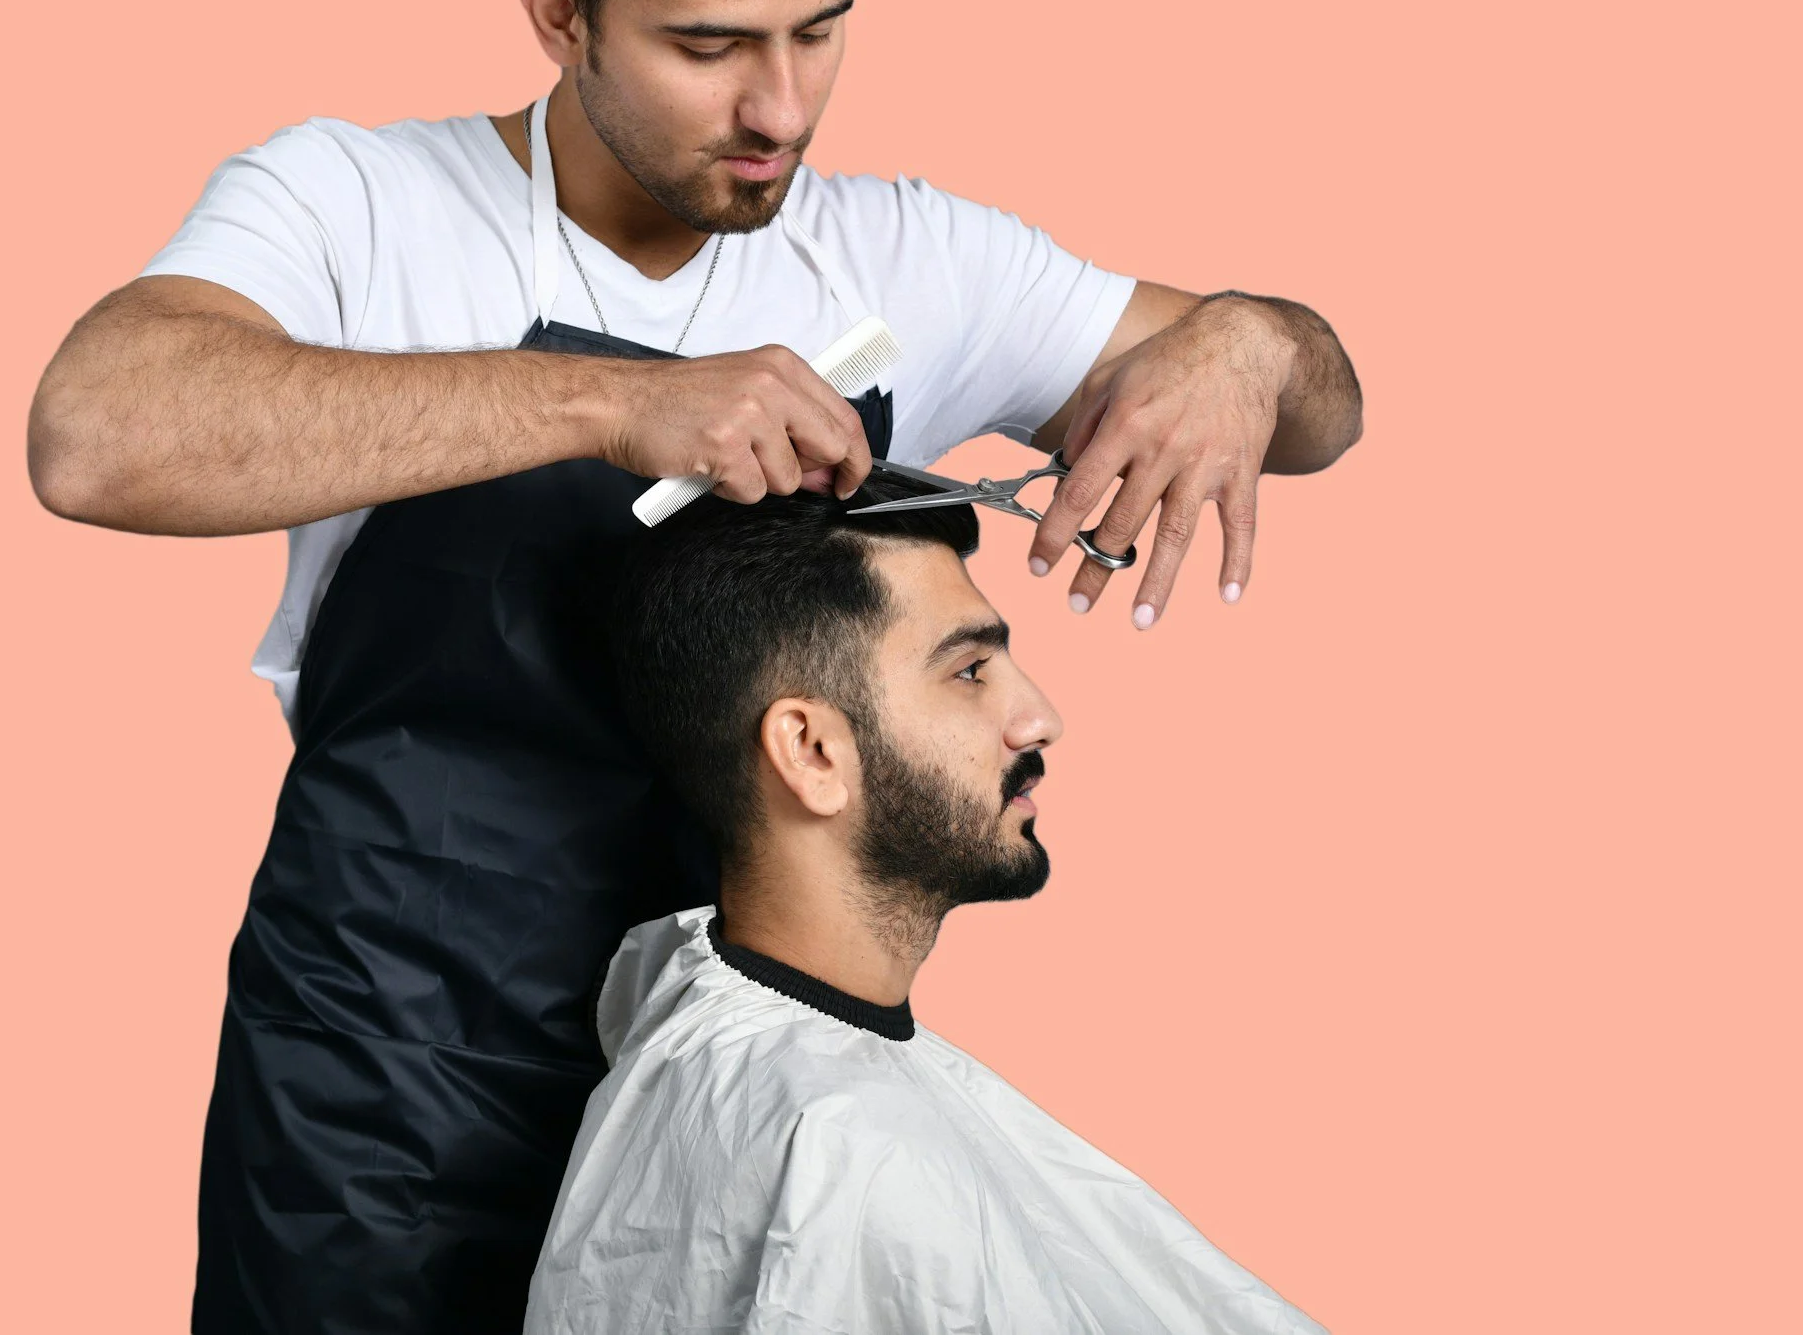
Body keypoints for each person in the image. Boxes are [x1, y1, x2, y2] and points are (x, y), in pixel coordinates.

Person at [26, 0, 1360, 1334]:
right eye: (711, 44)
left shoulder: (905, 260)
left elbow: (1319, 408)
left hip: (729, 1078)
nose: (781, 111)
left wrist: (1243, 343)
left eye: (822, 30)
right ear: (559, 12)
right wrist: (611, 399)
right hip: (393, 1074)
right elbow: (98, 432)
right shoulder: (358, 201)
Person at [525, 478, 1324, 1334]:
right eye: (970, 670)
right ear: (814, 751)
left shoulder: (748, 1049)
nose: (1040, 718)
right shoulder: (835, 1147)